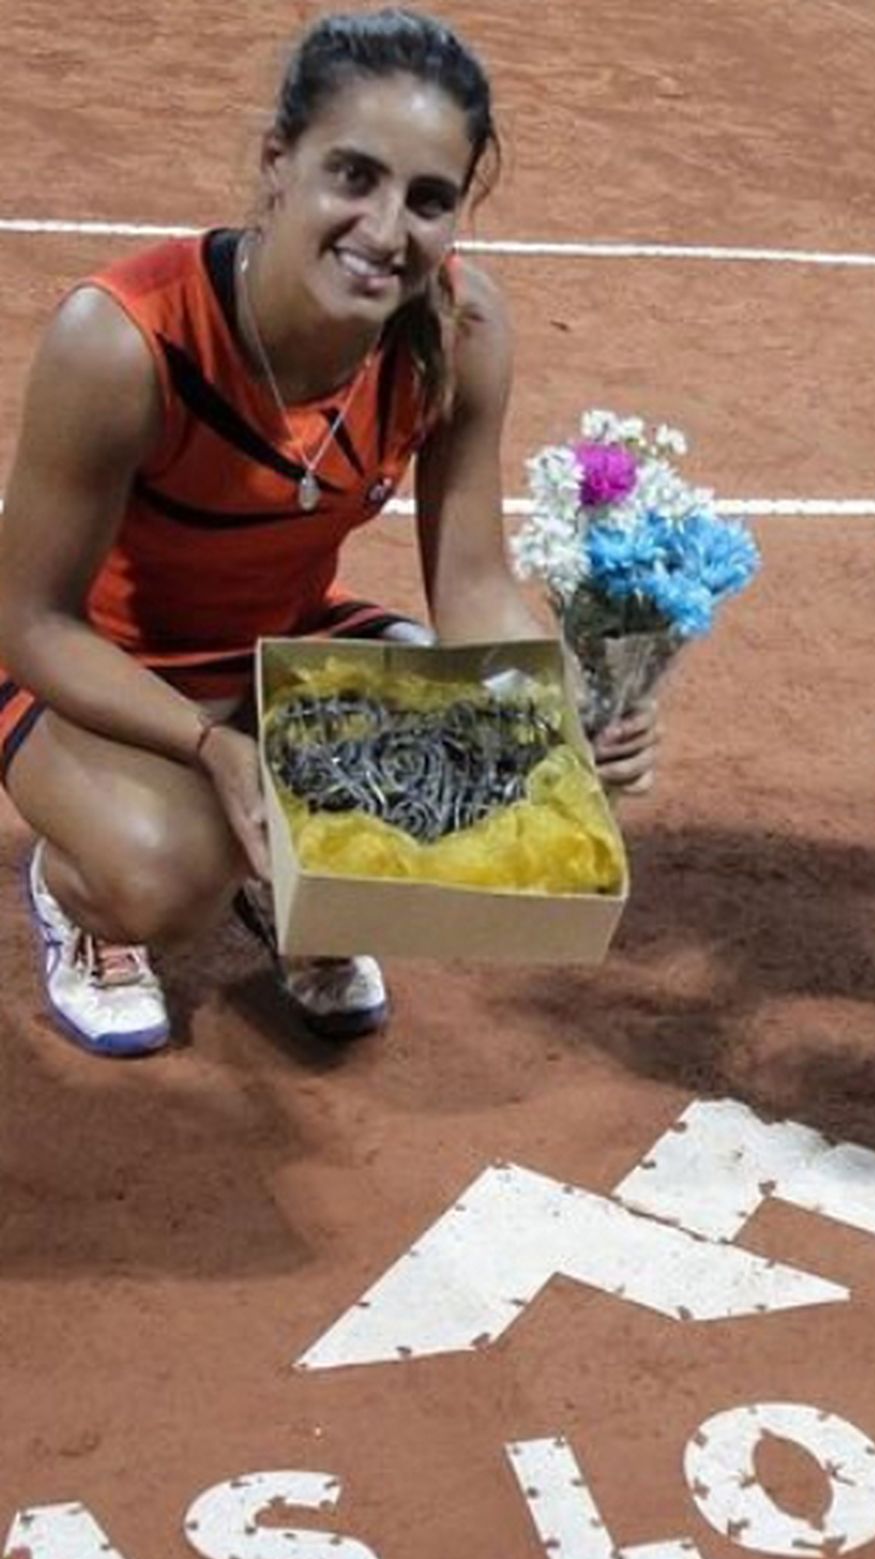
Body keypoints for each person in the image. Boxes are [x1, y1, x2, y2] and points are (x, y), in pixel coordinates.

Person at [0, 7, 656, 1058]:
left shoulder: (461, 329)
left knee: (476, 756)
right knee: (169, 870)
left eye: (429, 200)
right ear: (277, 162)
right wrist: (209, 748)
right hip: (91, 669)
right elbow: (29, 621)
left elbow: (474, 583)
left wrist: (561, 710)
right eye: (354, 176)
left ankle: (296, 896)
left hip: (278, 650)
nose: (388, 232)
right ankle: (82, 900)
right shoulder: (123, 340)